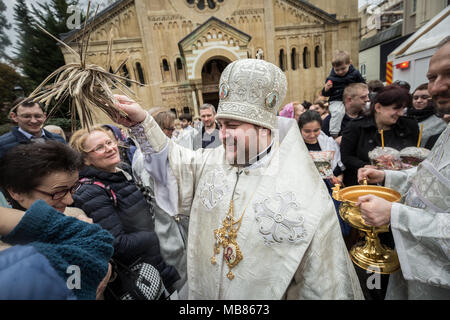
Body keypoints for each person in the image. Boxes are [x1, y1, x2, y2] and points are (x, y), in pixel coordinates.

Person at [113, 58, 364, 299]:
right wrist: (142, 122)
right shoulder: (214, 161)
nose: (222, 136)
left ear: (263, 128)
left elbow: (322, 285)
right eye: (220, 126)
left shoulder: (305, 192)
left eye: (231, 126)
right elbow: (173, 161)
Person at [356, 37, 450, 300]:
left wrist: (395, 215)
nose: (437, 87)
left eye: (448, 74)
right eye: (432, 77)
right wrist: (387, 175)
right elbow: (431, 180)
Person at [69, 126, 181, 295]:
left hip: (154, 264)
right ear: (85, 159)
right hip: (136, 276)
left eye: (109, 142)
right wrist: (156, 235)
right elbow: (117, 244)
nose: (109, 148)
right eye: (99, 148)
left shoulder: (122, 173)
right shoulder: (91, 192)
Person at [0, 142, 114, 300]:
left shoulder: (75, 215)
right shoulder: (8, 254)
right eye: (58, 192)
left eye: (73, 187)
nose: (69, 200)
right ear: (17, 192)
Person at [132, 112, 190, 297]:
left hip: (178, 228)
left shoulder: (162, 152)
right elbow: (161, 196)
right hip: (168, 230)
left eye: (174, 128)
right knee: (181, 282)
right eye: (169, 129)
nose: (173, 133)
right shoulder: (145, 159)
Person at [340, 84, 419, 187]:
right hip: (365, 185)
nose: (400, 113)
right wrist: (364, 165)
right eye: (396, 108)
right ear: (378, 107)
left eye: (403, 108)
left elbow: (414, 155)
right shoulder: (356, 127)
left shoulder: (409, 126)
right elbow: (346, 157)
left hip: (399, 185)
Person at [298, 110, 349, 238]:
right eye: (307, 131)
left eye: (316, 130)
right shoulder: (295, 145)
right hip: (304, 189)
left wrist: (337, 178)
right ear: (300, 129)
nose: (312, 135)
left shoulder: (327, 142)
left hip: (327, 187)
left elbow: (338, 166)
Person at [0, 98, 65, 159]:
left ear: (44, 116)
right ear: (14, 117)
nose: (33, 121)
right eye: (26, 116)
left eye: (38, 116)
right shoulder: (3, 144)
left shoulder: (59, 140)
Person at [321, 50, 366, 138]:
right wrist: (326, 89)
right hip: (336, 99)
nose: (340, 72)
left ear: (350, 63)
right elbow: (326, 94)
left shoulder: (355, 73)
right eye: (337, 70)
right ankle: (334, 133)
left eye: (343, 69)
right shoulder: (331, 78)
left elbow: (363, 84)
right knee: (338, 112)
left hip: (351, 97)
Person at [406, 83, 447, 148]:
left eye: (424, 97)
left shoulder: (442, 120)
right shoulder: (403, 115)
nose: (419, 101)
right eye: (415, 98)